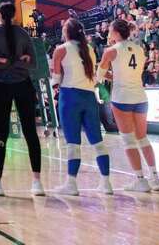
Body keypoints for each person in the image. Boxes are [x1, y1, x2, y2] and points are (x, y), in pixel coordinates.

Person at [0, 1, 44, 197]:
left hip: (1, 86)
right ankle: (37, 183)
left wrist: (5, 62)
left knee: (1, 133)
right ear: (14, 14)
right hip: (23, 84)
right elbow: (32, 63)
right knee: (31, 132)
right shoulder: (24, 34)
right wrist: (19, 61)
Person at [99, 19, 159, 192]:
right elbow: (131, 72)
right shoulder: (139, 48)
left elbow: (99, 75)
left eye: (110, 31)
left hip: (122, 98)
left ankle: (141, 180)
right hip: (140, 97)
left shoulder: (110, 51)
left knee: (129, 140)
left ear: (116, 32)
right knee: (143, 138)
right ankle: (155, 178)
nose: (108, 34)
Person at [50, 19, 112, 195]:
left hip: (70, 96)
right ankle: (106, 183)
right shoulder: (90, 49)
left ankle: (71, 184)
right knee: (97, 141)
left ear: (67, 32)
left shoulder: (61, 49)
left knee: (73, 143)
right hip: (89, 97)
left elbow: (55, 79)